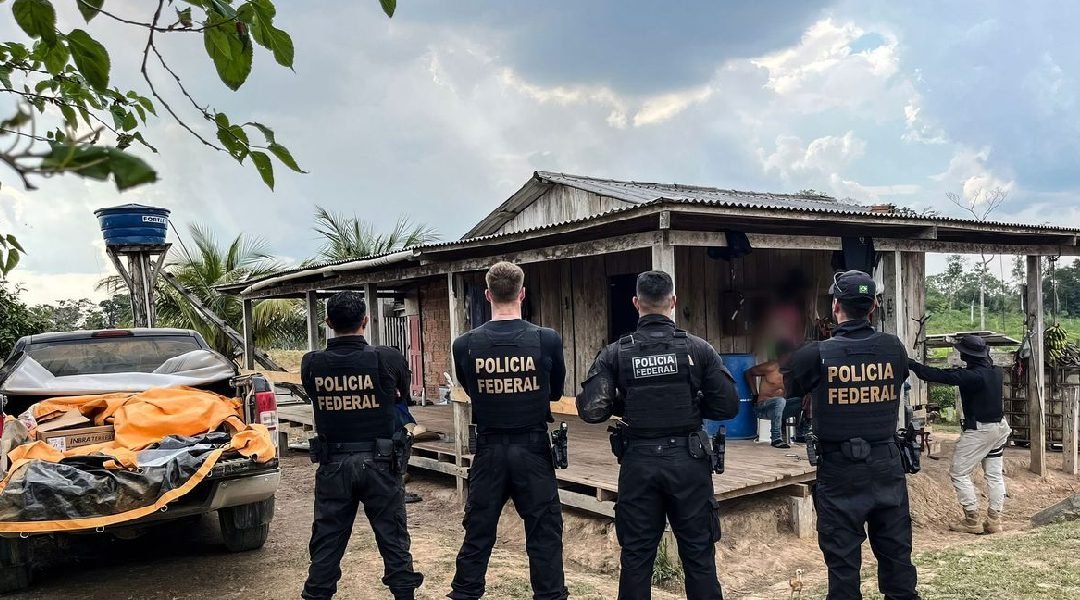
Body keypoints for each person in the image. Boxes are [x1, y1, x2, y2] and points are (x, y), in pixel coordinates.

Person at [578, 270, 739, 600]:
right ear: (673, 302)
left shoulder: (616, 353)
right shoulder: (698, 348)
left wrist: (625, 402)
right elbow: (728, 405)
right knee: (699, 556)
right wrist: (692, 402)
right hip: (689, 462)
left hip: (639, 464)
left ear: (636, 303)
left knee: (636, 558)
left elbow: (592, 409)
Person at [784, 270, 920, 600]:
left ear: (835, 306)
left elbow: (791, 390)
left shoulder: (814, 354)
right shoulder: (893, 347)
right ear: (873, 307)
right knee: (897, 559)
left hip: (840, 470)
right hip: (886, 465)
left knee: (843, 567)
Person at [449, 261, 569, 600]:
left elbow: (470, 389)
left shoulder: (464, 343)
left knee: (478, 532)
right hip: (532, 448)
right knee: (544, 534)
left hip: (488, 449)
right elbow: (555, 392)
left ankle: (465, 593)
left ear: (487, 295)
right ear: (523, 293)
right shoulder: (546, 339)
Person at [300, 291, 424, 600]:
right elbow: (402, 395)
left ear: (328, 323)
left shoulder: (312, 362)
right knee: (393, 540)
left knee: (327, 542)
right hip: (381, 463)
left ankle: (317, 594)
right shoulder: (387, 357)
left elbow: (315, 396)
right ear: (365, 321)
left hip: (333, 464)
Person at [908, 334, 1010, 534]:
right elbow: (953, 374)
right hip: (999, 427)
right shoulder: (995, 372)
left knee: (959, 472)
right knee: (994, 474)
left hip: (980, 430)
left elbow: (936, 375)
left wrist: (911, 364)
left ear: (966, 355)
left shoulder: (972, 376)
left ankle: (972, 519)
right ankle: (994, 519)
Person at [745, 344, 795, 448]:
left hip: (781, 408)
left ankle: (801, 434)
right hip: (763, 407)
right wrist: (754, 394)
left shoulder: (791, 371)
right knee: (780, 401)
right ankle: (776, 438)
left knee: (805, 399)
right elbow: (748, 373)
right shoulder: (770, 367)